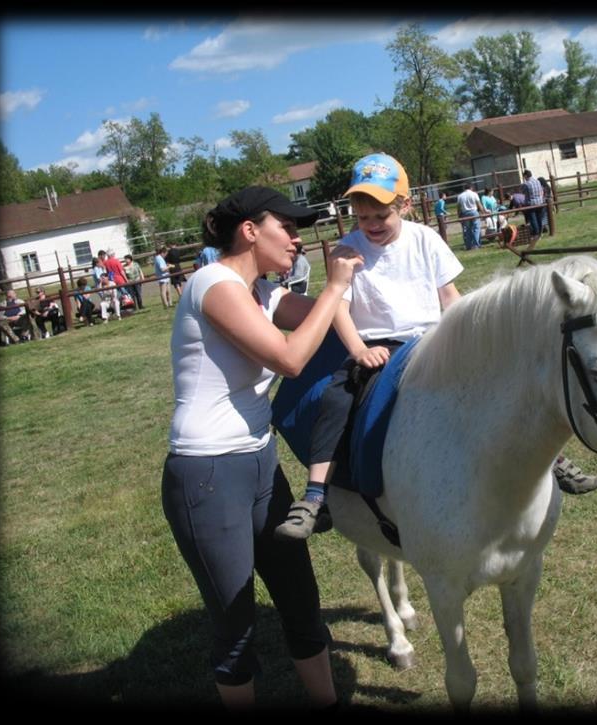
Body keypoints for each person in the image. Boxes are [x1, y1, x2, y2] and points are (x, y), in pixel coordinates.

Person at [161, 185, 364, 709]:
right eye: (288, 228)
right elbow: (290, 358)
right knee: (236, 621)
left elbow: (335, 319)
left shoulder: (263, 292)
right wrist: (336, 286)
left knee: (301, 600)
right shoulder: (215, 284)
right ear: (250, 231)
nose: (297, 239)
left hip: (259, 463)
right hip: (207, 473)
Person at [274, 152, 463, 541]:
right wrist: (358, 350)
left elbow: (449, 297)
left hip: (429, 339)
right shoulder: (347, 250)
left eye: (382, 216)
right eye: (363, 217)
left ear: (404, 205)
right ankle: (315, 496)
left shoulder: (426, 239)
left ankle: (550, 463)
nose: (372, 225)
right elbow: (339, 309)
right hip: (375, 344)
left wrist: (466, 333)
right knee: (336, 397)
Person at [456, 182, 486, 250]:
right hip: (474, 212)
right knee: (476, 229)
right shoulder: (474, 194)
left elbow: (458, 207)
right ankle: (476, 245)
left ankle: (468, 246)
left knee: (467, 230)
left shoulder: (460, 196)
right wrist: (483, 212)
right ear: (471, 187)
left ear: (464, 188)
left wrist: (459, 216)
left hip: (465, 213)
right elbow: (479, 204)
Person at [521, 170, 544, 238]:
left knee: (533, 219)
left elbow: (523, 192)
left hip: (531, 203)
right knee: (539, 218)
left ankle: (536, 234)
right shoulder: (538, 181)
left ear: (525, 176)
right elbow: (541, 191)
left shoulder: (526, 184)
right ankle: (540, 233)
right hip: (540, 202)